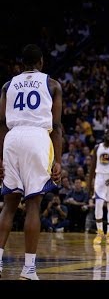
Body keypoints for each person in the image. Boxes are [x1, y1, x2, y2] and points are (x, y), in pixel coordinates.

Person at [0, 44, 62, 280]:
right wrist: (58, 160)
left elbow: (0, 122)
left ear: (22, 64)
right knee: (33, 204)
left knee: (9, 204)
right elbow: (56, 127)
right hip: (37, 137)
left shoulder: (8, 85)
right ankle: (29, 268)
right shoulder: (53, 84)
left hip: (12, 138)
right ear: (42, 62)